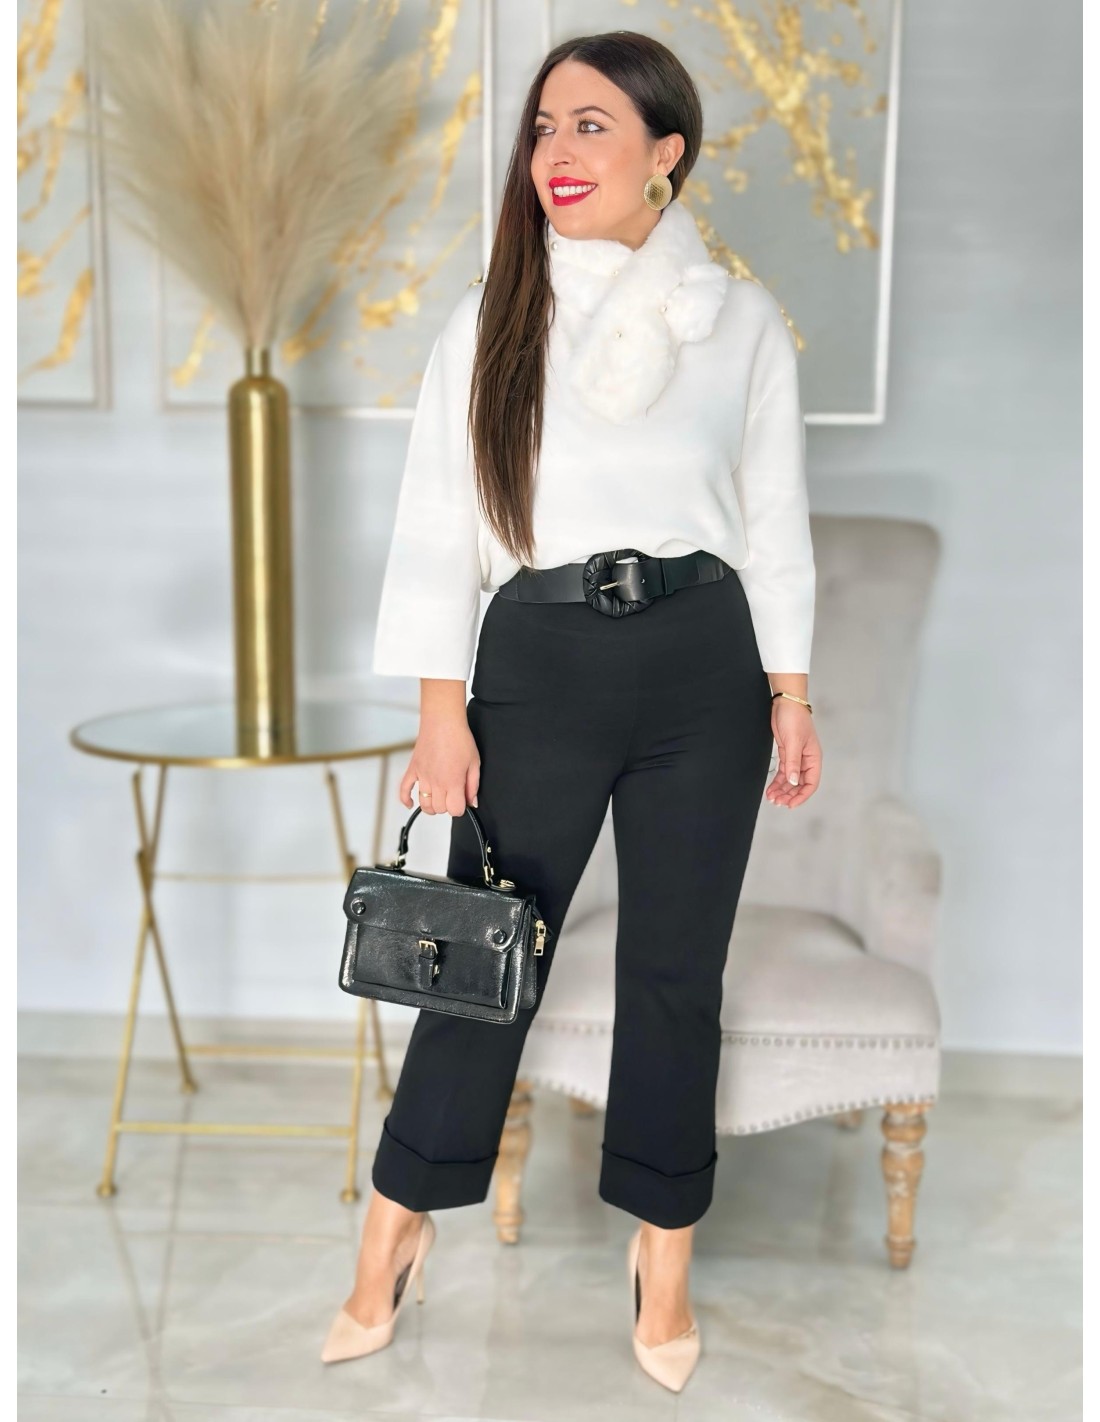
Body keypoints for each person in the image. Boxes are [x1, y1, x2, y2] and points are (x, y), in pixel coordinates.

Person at [321, 29, 821, 1393]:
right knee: (481, 961)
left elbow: (776, 520)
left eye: (591, 124)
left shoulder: (741, 322)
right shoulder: (492, 317)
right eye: (544, 126)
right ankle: (395, 1226)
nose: (555, 151)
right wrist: (442, 711)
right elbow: (440, 525)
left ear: (667, 153)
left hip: (706, 665)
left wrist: (789, 689)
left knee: (677, 972)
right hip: (536, 660)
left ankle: (664, 1258)